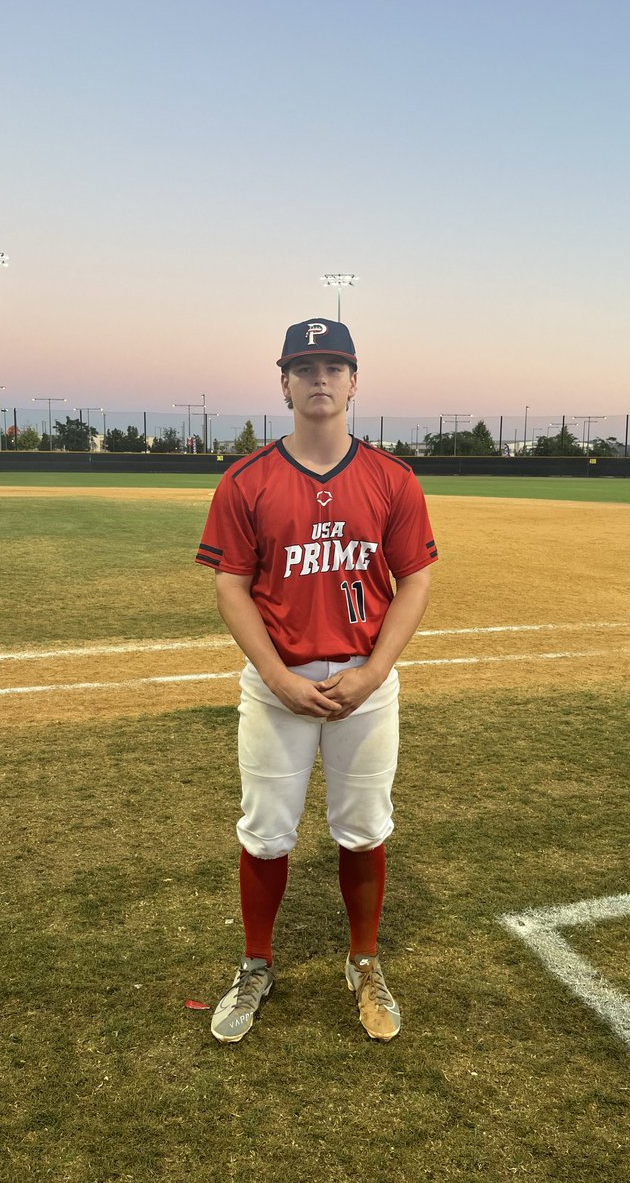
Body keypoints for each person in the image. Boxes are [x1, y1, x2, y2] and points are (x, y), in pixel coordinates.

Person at [195, 317, 437, 1043]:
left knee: (362, 830)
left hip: (365, 681)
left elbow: (416, 579)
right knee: (266, 833)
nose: (320, 378)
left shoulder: (391, 478)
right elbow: (232, 586)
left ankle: (363, 961)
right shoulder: (247, 479)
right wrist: (274, 676)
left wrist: (373, 671)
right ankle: (257, 963)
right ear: (285, 383)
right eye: (306, 368)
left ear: (354, 381)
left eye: (334, 366)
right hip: (279, 686)